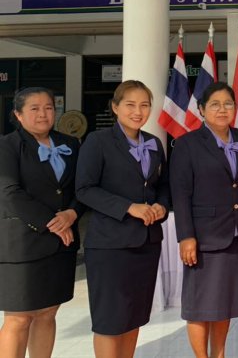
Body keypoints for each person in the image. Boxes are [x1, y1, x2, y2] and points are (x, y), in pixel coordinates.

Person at [76, 80, 169, 358]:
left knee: (134, 316)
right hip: (110, 245)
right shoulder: (98, 141)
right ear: (115, 107)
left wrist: (161, 207)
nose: (138, 111)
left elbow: (162, 186)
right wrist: (129, 207)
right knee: (109, 320)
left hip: (146, 243)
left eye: (144, 105)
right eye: (130, 105)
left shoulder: (153, 142)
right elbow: (84, 189)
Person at [170, 82, 238, 358]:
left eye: (228, 104)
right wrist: (186, 236)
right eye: (215, 104)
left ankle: (219, 354)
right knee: (199, 305)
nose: (222, 109)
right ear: (202, 110)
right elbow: (180, 194)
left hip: (234, 233)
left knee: (225, 304)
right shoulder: (186, 144)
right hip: (203, 236)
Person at [0, 87, 83, 358]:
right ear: (18, 114)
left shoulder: (70, 144)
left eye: (48, 107)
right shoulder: (7, 146)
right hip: (23, 245)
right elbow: (9, 192)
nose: (43, 114)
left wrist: (72, 213)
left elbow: (81, 189)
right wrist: (52, 222)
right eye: (34, 108)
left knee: (48, 313)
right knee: (19, 317)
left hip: (61, 246)